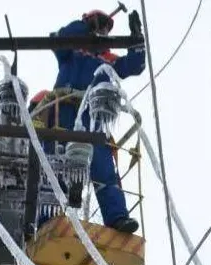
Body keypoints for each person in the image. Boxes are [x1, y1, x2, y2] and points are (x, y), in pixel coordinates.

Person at [43, 9, 146, 234]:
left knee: (103, 167)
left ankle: (117, 218)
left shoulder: (108, 60)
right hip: (65, 110)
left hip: (94, 116)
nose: (103, 31)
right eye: (99, 25)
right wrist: (85, 27)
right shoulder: (73, 51)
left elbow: (136, 65)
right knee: (56, 164)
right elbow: (60, 38)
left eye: (107, 27)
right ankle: (47, 219)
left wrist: (137, 38)